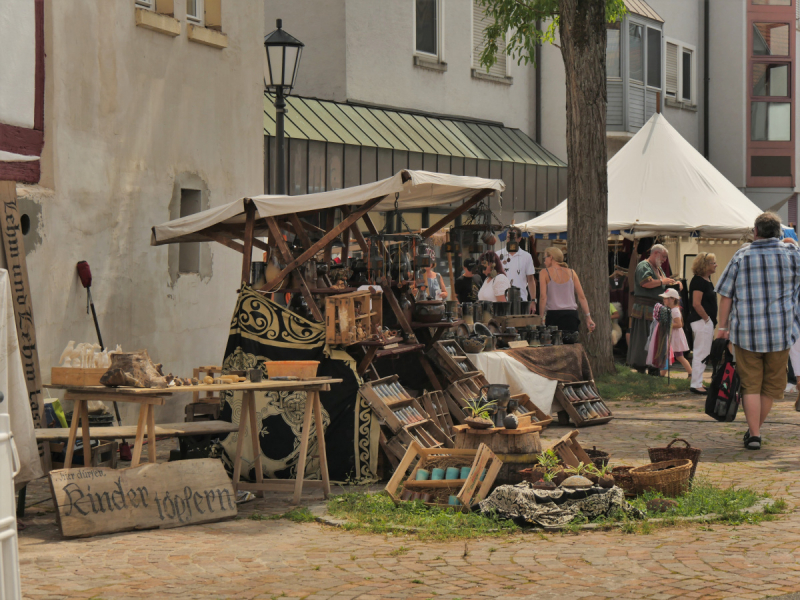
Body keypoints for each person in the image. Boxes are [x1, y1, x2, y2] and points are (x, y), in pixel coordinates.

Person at [716, 212, 800, 450]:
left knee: (750, 385)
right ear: (779, 232)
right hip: (781, 333)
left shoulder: (742, 255)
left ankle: (754, 434)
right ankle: (755, 431)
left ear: (755, 232)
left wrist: (722, 327)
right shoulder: (792, 255)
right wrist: (794, 244)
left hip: (747, 333)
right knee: (770, 388)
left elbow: (725, 295)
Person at [627, 244, 682, 375]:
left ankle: (654, 367)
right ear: (656, 253)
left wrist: (674, 284)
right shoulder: (643, 266)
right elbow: (645, 283)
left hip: (656, 309)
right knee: (643, 338)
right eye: (663, 256)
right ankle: (641, 367)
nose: (664, 260)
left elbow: (661, 285)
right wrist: (663, 282)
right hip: (644, 309)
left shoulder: (658, 269)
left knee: (656, 339)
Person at [539, 246, 596, 333]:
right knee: (571, 344)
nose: (544, 261)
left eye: (545, 257)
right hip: (571, 315)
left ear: (551, 257)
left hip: (554, 315)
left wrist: (541, 317)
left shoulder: (544, 272)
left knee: (554, 344)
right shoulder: (572, 272)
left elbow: (543, 297)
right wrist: (588, 317)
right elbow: (582, 297)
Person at [687, 252, 718, 394]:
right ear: (706, 265)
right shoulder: (698, 281)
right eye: (713, 263)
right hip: (701, 321)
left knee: (704, 352)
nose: (715, 265)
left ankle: (698, 381)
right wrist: (706, 319)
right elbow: (696, 303)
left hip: (706, 321)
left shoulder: (707, 279)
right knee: (701, 351)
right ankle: (696, 383)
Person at [498, 226, 537, 313]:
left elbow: (530, 280)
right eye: (508, 237)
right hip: (501, 299)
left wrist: (533, 300)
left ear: (519, 239)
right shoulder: (498, 255)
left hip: (521, 299)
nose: (510, 240)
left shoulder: (526, 256)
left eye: (513, 237)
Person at [658, 288, 692, 376]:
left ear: (673, 299)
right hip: (671, 336)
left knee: (679, 356)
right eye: (664, 298)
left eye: (666, 298)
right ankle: (662, 374)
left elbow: (679, 324)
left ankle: (691, 373)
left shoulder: (674, 311)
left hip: (675, 337)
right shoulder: (670, 310)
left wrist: (667, 324)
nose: (664, 300)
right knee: (670, 356)